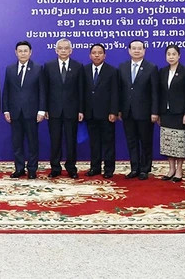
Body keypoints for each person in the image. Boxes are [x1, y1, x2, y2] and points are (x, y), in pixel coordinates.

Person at [2, 40, 46, 179]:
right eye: (20, 51)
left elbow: (42, 91)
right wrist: (6, 110)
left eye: (25, 51)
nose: (22, 53)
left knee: (33, 142)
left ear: (30, 52)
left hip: (32, 112)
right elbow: (6, 91)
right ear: (16, 52)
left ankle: (32, 169)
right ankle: (19, 168)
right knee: (17, 143)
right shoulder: (9, 69)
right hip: (15, 112)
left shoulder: (38, 68)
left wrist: (41, 110)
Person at [118, 40, 159, 180]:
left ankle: (145, 169)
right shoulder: (122, 67)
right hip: (127, 112)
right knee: (131, 141)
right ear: (129, 50)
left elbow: (155, 92)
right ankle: (134, 168)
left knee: (145, 141)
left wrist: (154, 112)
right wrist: (119, 110)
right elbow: (120, 91)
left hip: (145, 112)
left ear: (144, 51)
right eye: (134, 48)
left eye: (139, 48)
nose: (136, 51)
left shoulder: (151, 68)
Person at [43, 38, 84, 178]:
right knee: (55, 140)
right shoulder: (48, 66)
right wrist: (45, 109)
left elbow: (81, 90)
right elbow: (45, 90)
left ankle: (71, 167)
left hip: (71, 110)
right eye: (60, 48)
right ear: (56, 50)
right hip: (53, 110)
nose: (63, 51)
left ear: (71, 50)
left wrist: (80, 109)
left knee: (71, 140)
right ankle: (55, 167)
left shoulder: (78, 66)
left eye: (66, 48)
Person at [82, 44, 118, 178]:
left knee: (108, 142)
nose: (97, 55)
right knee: (94, 143)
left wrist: (113, 112)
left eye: (99, 53)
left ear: (104, 55)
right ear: (90, 55)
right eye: (94, 53)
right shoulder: (84, 70)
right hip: (90, 113)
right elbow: (82, 92)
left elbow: (115, 93)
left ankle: (109, 169)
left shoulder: (112, 71)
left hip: (107, 114)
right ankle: (95, 167)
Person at [157, 44, 185, 182]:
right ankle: (171, 169)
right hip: (166, 113)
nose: (171, 57)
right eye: (168, 54)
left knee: (180, 142)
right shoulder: (162, 71)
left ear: (179, 56)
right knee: (168, 143)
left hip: (180, 113)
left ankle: (179, 170)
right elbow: (159, 94)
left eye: (174, 54)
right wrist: (158, 113)